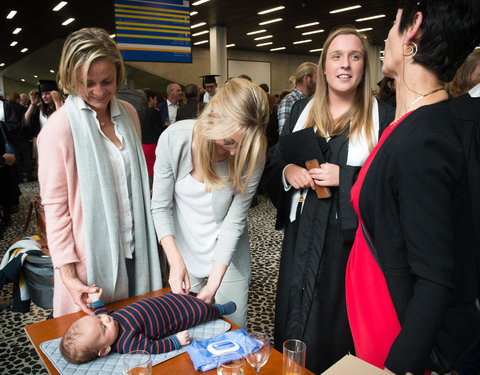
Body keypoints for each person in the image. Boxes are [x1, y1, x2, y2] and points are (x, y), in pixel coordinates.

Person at [344, 1, 480, 373]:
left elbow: (435, 280)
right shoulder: (408, 125)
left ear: (413, 30)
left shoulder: (423, 139)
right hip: (373, 325)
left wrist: (397, 367)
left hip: (394, 340)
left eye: (393, 26)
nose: (386, 37)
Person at [262, 27, 394, 373]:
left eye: (354, 57)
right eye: (336, 57)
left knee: (337, 331)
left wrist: (347, 178)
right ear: (323, 67)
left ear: (365, 67)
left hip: (348, 248)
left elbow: (393, 187)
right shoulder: (301, 111)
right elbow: (276, 160)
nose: (345, 65)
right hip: (300, 238)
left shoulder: (384, 118)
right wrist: (288, 171)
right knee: (294, 318)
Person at [37, 27, 162, 318]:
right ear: (71, 79)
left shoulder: (129, 114)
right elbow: (55, 212)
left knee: (141, 343)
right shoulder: (59, 129)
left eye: (107, 81)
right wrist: (68, 277)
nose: (99, 92)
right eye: (87, 83)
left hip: (137, 250)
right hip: (89, 263)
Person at [151, 78, 268, 329]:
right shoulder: (175, 139)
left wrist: (215, 282)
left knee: (233, 329)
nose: (236, 153)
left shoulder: (253, 151)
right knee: (190, 332)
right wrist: (174, 261)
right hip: (184, 254)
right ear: (214, 118)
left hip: (228, 256)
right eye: (229, 142)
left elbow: (235, 221)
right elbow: (160, 207)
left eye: (243, 144)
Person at [60, 287, 236, 364]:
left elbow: (100, 314)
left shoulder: (104, 321)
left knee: (179, 295)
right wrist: (176, 341)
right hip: (172, 317)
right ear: (105, 350)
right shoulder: (127, 343)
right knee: (196, 312)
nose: (105, 320)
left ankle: (195, 295)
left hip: (160, 303)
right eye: (103, 327)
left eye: (99, 320)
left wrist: (97, 302)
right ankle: (218, 309)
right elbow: (153, 347)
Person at [276, 62, 317, 133]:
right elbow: (285, 137)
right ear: (307, 79)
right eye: (317, 78)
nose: (320, 83)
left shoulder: (312, 101)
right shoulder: (289, 102)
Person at [142, 88, 167, 188]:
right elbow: (158, 131)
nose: (156, 101)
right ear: (150, 99)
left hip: (143, 145)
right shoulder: (154, 112)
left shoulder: (140, 111)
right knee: (154, 173)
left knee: (147, 173)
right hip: (153, 146)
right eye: (155, 99)